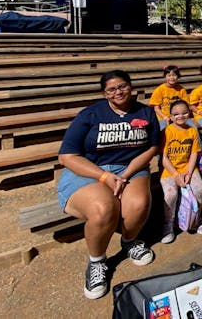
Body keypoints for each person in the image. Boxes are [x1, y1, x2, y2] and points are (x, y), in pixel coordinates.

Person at [57, 70, 159, 300]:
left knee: (139, 205)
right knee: (105, 208)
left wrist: (128, 173)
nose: (118, 92)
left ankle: (130, 242)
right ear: (105, 93)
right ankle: (97, 261)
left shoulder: (146, 112)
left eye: (122, 86)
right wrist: (104, 177)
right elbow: (66, 157)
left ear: (131, 87)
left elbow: (152, 148)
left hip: (130, 167)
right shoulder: (90, 114)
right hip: (89, 170)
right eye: (111, 89)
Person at [159, 100, 202, 244]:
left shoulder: (192, 129)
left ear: (189, 113)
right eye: (176, 114)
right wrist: (176, 175)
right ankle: (168, 223)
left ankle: (196, 218)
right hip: (170, 169)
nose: (180, 116)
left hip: (188, 166)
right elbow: (163, 158)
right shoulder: (166, 131)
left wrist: (188, 173)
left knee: (199, 188)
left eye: (184, 113)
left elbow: (194, 153)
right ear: (170, 116)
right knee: (171, 194)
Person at [149, 65, 189, 129]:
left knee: (193, 127)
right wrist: (164, 117)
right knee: (163, 130)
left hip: (179, 116)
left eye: (174, 75)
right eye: (169, 75)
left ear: (178, 77)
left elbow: (186, 105)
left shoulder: (181, 90)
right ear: (165, 77)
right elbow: (156, 108)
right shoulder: (160, 89)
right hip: (163, 117)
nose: (172, 78)